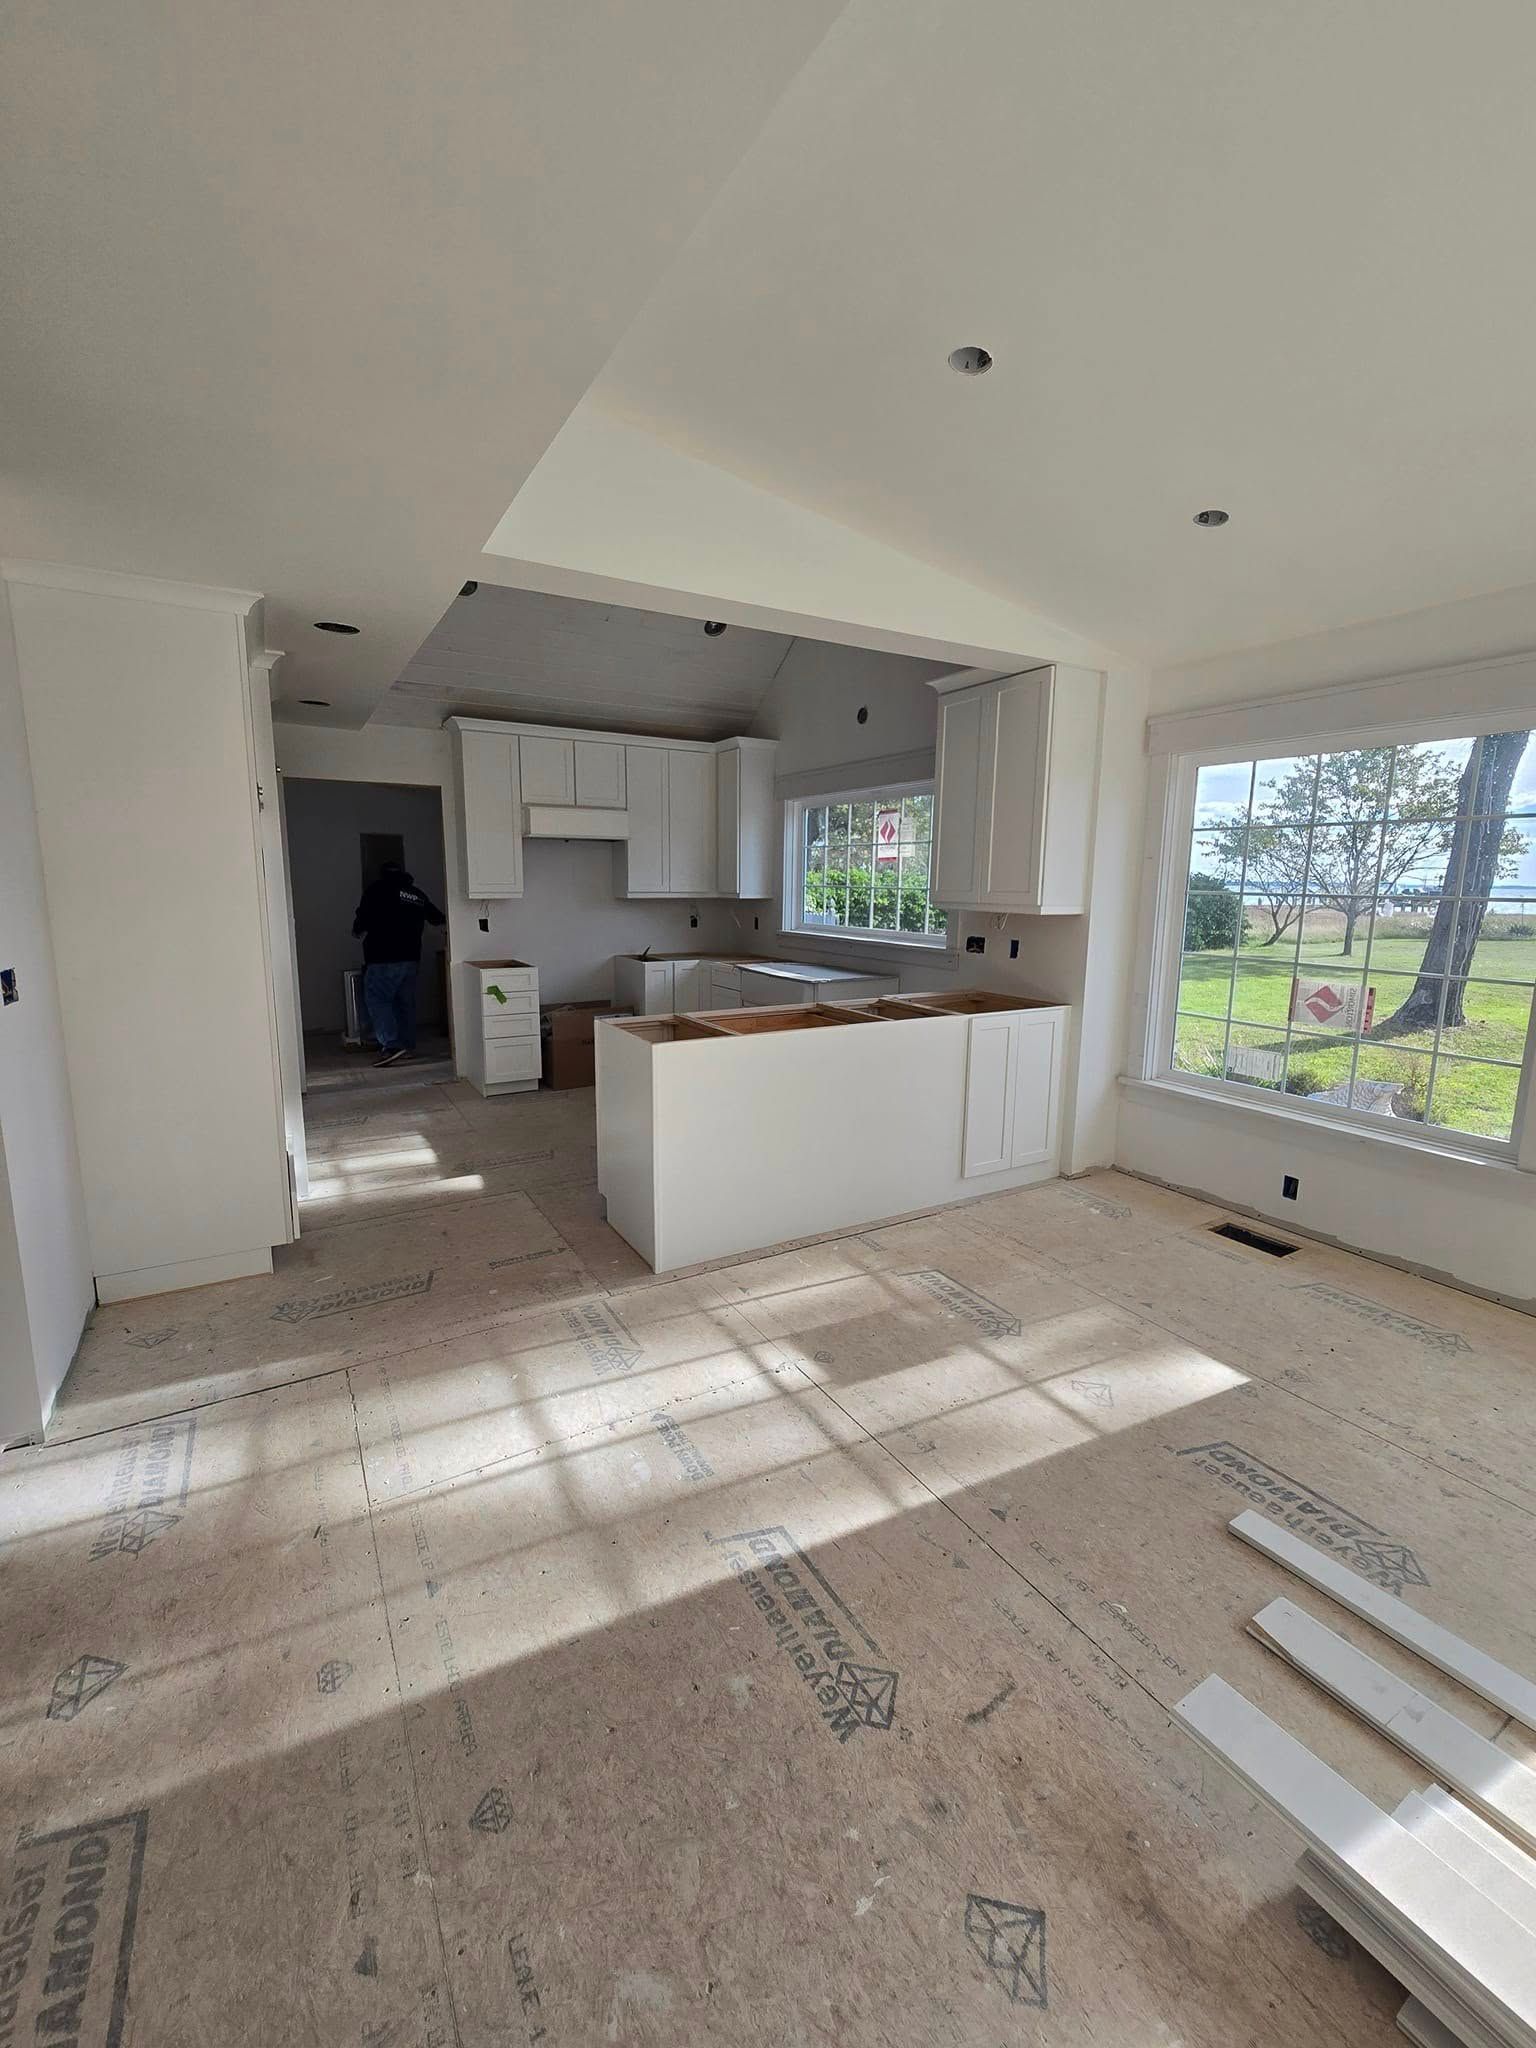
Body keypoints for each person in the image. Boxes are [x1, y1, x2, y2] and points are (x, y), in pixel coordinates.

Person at [351, 861, 446, 1066]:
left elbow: (362, 920)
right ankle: (407, 1046)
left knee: (378, 999)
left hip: (382, 957)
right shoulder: (416, 894)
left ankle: (392, 1045)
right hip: (411, 958)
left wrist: (357, 930)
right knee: (405, 1003)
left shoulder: (376, 891)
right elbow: (438, 918)